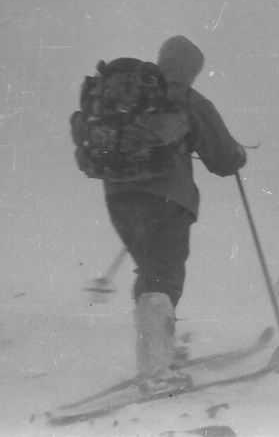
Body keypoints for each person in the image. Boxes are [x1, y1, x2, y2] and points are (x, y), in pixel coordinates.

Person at [92, 36, 247, 393]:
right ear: (192, 68)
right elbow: (223, 158)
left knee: (150, 271)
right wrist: (237, 156)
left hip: (118, 195)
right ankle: (157, 371)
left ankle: (158, 352)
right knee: (163, 275)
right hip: (167, 201)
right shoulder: (187, 98)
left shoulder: (130, 94)